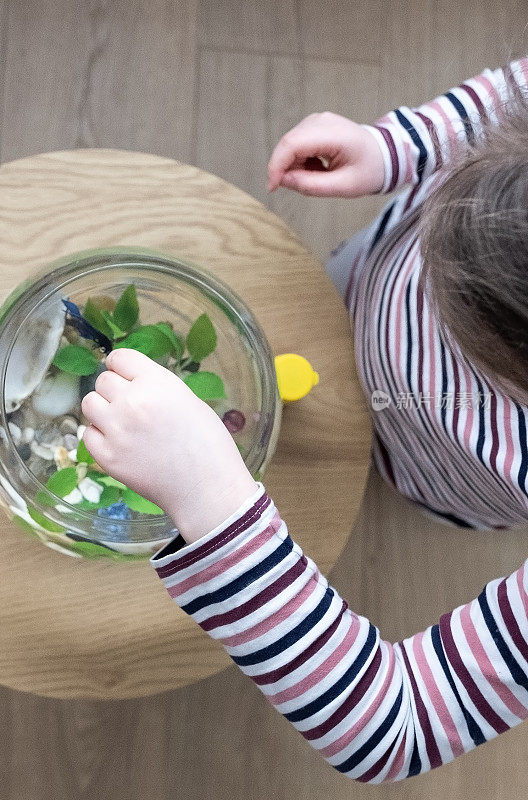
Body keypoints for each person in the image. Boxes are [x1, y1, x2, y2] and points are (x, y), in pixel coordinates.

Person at [80, 58, 528, 783]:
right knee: (353, 287)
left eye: (462, 321)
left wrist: (212, 502)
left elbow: (395, 727)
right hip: (361, 283)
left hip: (434, 471)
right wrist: (399, 149)